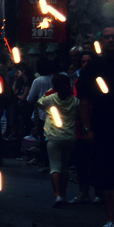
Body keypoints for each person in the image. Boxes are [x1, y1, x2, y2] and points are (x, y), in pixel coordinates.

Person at [76, 23, 114, 227]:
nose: (111, 40)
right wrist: (87, 128)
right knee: (108, 176)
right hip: (104, 128)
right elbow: (84, 100)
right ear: (101, 41)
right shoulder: (94, 67)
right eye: (107, 37)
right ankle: (111, 220)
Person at [37, 74, 79, 207]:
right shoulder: (74, 101)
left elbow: (39, 103)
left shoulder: (51, 99)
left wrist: (51, 91)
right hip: (69, 137)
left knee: (55, 167)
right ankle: (64, 194)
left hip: (54, 137)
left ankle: (57, 195)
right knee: (65, 167)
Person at [69, 51, 97, 204]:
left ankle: (99, 191)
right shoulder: (77, 81)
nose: (86, 64)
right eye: (83, 61)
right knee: (81, 161)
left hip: (98, 124)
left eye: (89, 61)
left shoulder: (100, 79)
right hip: (79, 126)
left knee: (97, 160)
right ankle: (83, 192)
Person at [27, 58, 56, 168]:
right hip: (58, 112)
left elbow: (29, 98)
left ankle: (46, 163)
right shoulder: (56, 78)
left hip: (42, 114)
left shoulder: (38, 81)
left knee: (43, 139)